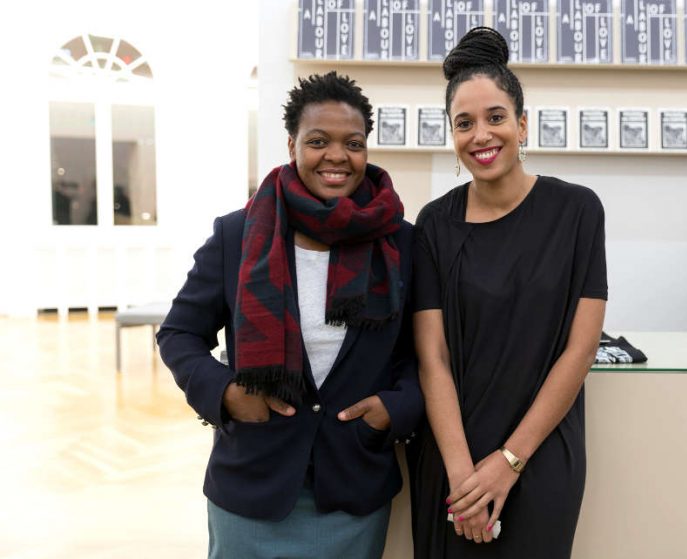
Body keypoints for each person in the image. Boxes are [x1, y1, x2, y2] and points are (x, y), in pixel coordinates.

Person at [157, 71, 422, 559]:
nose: (337, 156)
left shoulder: (401, 241)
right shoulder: (237, 235)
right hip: (252, 483)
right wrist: (227, 394)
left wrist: (394, 409)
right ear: (292, 144)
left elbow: (420, 353)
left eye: (354, 143)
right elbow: (178, 334)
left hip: (352, 484)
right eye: (318, 141)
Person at [407, 27, 607, 558]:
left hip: (539, 458)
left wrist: (508, 463)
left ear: (522, 123)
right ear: (451, 135)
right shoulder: (433, 225)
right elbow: (433, 358)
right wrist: (463, 481)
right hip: (453, 462)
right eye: (464, 123)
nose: (481, 135)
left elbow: (581, 348)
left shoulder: (578, 211)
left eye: (495, 117)